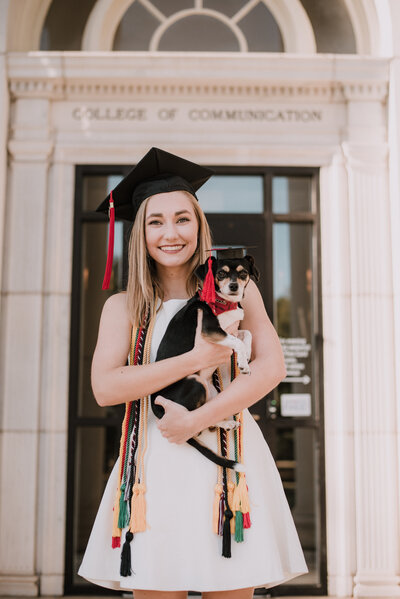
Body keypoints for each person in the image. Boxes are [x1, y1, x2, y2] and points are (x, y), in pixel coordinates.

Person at [78, 147, 308, 599]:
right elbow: (106, 387)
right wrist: (195, 359)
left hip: (228, 459)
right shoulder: (123, 307)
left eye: (182, 219)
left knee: (230, 584)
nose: (170, 233)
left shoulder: (238, 290)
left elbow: (271, 367)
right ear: (140, 233)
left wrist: (197, 419)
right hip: (152, 463)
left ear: (200, 225)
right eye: (155, 221)